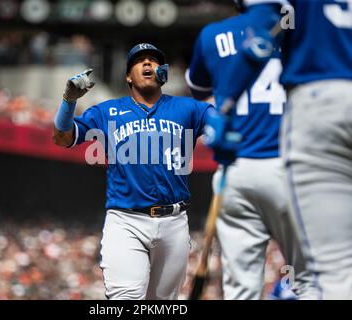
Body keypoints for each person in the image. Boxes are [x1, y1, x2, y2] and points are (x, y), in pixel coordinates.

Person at [201, 0, 352, 299]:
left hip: (321, 99)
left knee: (331, 271)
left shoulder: (217, 34)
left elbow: (258, 40)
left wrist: (227, 104)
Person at [52, 43, 212, 300]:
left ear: (164, 71)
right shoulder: (107, 111)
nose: (148, 64)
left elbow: (222, 125)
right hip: (127, 221)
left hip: (175, 222)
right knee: (125, 298)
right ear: (128, 76)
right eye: (140, 61)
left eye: (154, 60)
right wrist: (69, 101)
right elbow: (62, 137)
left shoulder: (189, 109)